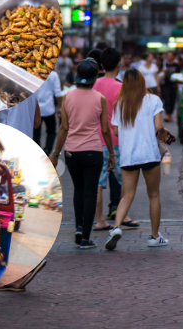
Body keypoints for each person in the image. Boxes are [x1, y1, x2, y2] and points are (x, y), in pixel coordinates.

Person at [49, 58, 114, 250]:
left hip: (71, 153)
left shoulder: (68, 97)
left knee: (78, 189)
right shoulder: (99, 98)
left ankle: (79, 227)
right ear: (94, 78)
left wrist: (55, 153)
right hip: (93, 152)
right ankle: (85, 237)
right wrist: (111, 153)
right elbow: (105, 130)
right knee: (90, 193)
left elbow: (64, 128)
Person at [105, 69, 171, 250]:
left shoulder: (120, 104)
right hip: (149, 154)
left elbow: (117, 131)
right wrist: (163, 131)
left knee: (127, 195)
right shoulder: (154, 100)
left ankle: (116, 228)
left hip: (129, 155)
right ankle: (154, 237)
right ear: (143, 82)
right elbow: (158, 126)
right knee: (154, 195)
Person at [92, 48, 136, 233]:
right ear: (119, 65)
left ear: (101, 65)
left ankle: (100, 219)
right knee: (125, 179)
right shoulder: (121, 87)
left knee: (98, 183)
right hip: (117, 141)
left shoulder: (93, 84)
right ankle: (123, 215)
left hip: (95, 139)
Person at [35, 71, 62, 153]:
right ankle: (47, 150)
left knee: (36, 132)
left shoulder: (35, 73)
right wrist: (60, 107)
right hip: (49, 109)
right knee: (51, 132)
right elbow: (57, 93)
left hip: (36, 109)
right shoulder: (53, 75)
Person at [161, 50, 181, 123]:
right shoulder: (164, 65)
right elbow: (158, 73)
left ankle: (170, 114)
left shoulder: (176, 65)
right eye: (168, 55)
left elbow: (179, 75)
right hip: (165, 85)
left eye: (170, 55)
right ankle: (167, 115)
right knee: (167, 99)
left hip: (173, 85)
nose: (169, 57)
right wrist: (162, 71)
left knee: (172, 100)